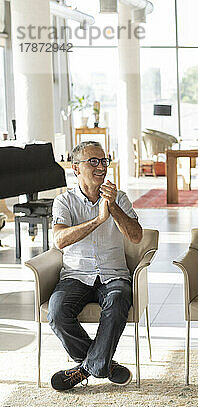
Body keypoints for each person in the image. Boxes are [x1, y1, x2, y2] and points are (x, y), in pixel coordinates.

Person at [47, 141, 143, 391]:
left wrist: (114, 209)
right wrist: (99, 220)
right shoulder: (64, 202)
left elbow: (136, 236)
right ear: (76, 168)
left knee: (119, 298)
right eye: (93, 161)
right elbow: (59, 240)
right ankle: (103, 364)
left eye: (104, 161)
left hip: (113, 275)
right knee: (57, 313)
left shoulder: (119, 197)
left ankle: (85, 369)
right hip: (75, 275)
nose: (101, 166)